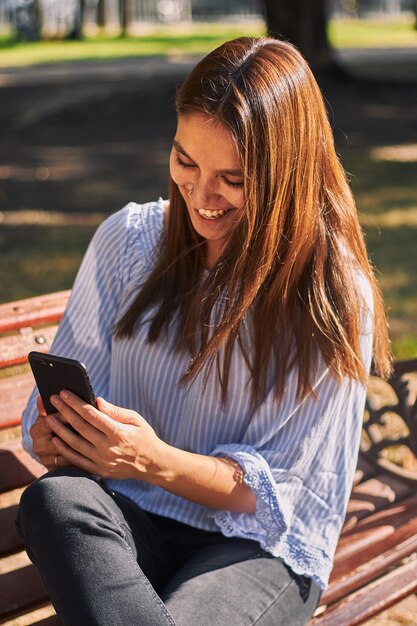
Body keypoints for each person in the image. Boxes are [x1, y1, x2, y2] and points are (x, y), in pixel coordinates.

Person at [16, 36, 391, 626]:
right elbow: (61, 393)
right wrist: (57, 433)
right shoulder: (129, 242)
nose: (201, 195)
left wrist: (154, 460)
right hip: (133, 523)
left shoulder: (330, 291)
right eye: (185, 160)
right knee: (55, 499)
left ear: (286, 172)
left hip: (255, 549)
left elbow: (271, 494)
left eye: (233, 178)